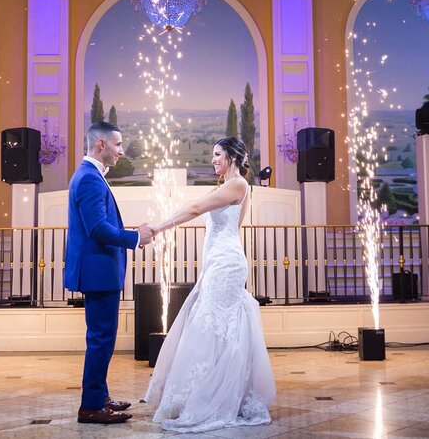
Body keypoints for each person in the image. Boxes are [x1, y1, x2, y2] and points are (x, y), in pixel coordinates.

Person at [144, 137, 276, 433]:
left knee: (213, 326)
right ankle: (206, 391)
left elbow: (195, 208)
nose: (213, 160)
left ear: (231, 156)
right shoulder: (230, 187)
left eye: (217, 154)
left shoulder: (237, 185)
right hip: (220, 261)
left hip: (226, 264)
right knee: (212, 326)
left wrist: (159, 227)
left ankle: (214, 397)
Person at [64, 121, 154, 424]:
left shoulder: (89, 176)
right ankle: (91, 406)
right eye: (117, 144)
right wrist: (135, 238)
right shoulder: (89, 179)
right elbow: (98, 229)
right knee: (101, 339)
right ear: (100, 144)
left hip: (98, 271)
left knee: (101, 337)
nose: (121, 151)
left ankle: (100, 397)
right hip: (97, 272)